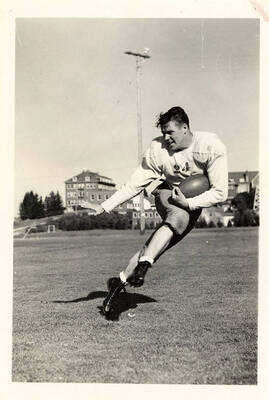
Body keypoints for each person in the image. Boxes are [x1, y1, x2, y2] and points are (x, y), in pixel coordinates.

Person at [82, 106, 228, 316]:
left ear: (185, 128)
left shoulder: (210, 146)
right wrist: (104, 206)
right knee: (176, 217)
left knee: (156, 245)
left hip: (192, 202)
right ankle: (144, 265)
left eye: (170, 132)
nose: (166, 137)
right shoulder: (157, 150)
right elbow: (134, 185)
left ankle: (118, 283)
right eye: (163, 133)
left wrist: (188, 203)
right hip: (167, 193)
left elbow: (221, 192)